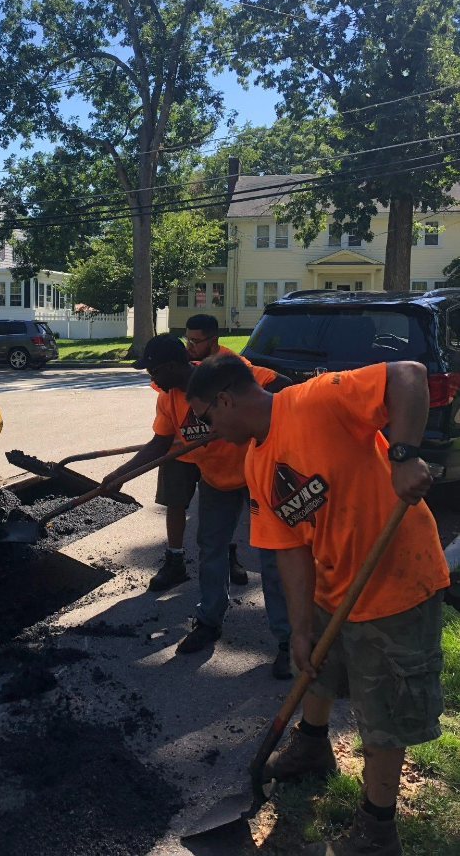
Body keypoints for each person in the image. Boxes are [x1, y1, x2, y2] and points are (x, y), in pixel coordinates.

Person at [186, 354, 450, 856]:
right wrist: (300, 628)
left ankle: (377, 828)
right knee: (318, 670)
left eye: (207, 416)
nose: (207, 429)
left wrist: (405, 455)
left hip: (395, 580)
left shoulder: (316, 399)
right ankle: (311, 745)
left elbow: (409, 375)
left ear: (225, 400)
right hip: (334, 586)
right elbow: (288, 549)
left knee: (383, 708)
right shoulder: (256, 461)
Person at [104, 335, 293, 673]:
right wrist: (121, 474)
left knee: (272, 557)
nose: (152, 379)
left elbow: (282, 388)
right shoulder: (168, 399)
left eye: (154, 370)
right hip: (216, 482)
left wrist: (265, 431)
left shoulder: (221, 372)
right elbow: (160, 443)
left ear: (174, 366)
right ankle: (209, 621)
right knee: (211, 548)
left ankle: (288, 642)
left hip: (257, 478)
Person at [150, 314, 247, 596]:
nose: (189, 346)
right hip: (180, 448)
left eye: (195, 341)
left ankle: (227, 556)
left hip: (217, 452)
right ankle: (175, 559)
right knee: (175, 502)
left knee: (219, 509)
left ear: (213, 340)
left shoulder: (230, 366)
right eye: (187, 340)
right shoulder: (178, 372)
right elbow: (166, 392)